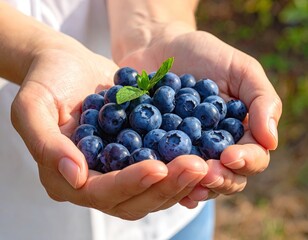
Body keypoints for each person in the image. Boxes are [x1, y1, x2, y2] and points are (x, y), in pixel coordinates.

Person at [0, 0, 282, 239]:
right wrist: (35, 51)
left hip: (176, 217)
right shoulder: (101, 117)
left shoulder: (178, 110)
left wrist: (156, 29)